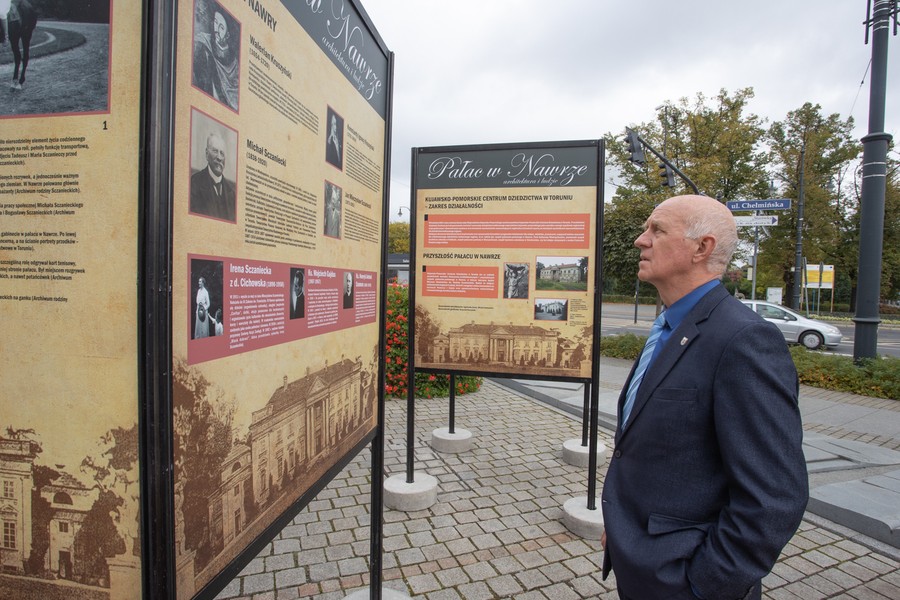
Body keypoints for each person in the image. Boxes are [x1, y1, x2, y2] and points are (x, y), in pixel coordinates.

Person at [600, 194, 808, 600]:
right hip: (639, 561)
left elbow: (774, 497)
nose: (641, 240)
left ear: (702, 248)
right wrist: (624, 527)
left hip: (682, 580)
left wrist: (703, 585)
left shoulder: (744, 340)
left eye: (657, 230)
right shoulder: (669, 326)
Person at [192, 6, 239, 110]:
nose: (216, 30)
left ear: (227, 35)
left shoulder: (234, 63)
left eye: (221, 27)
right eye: (216, 22)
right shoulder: (205, 41)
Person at [190, 132, 236, 222]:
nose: (219, 158)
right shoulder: (194, 183)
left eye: (222, 153)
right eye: (215, 151)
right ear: (207, 154)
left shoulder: (232, 193)